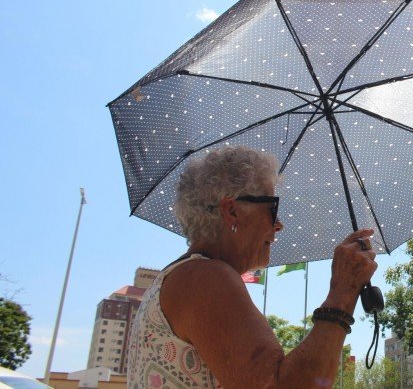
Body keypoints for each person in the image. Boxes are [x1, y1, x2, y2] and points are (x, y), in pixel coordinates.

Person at [126, 146, 378, 388]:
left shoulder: (182, 279)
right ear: (232, 210)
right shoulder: (205, 279)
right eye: (273, 208)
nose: (278, 225)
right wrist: (343, 292)